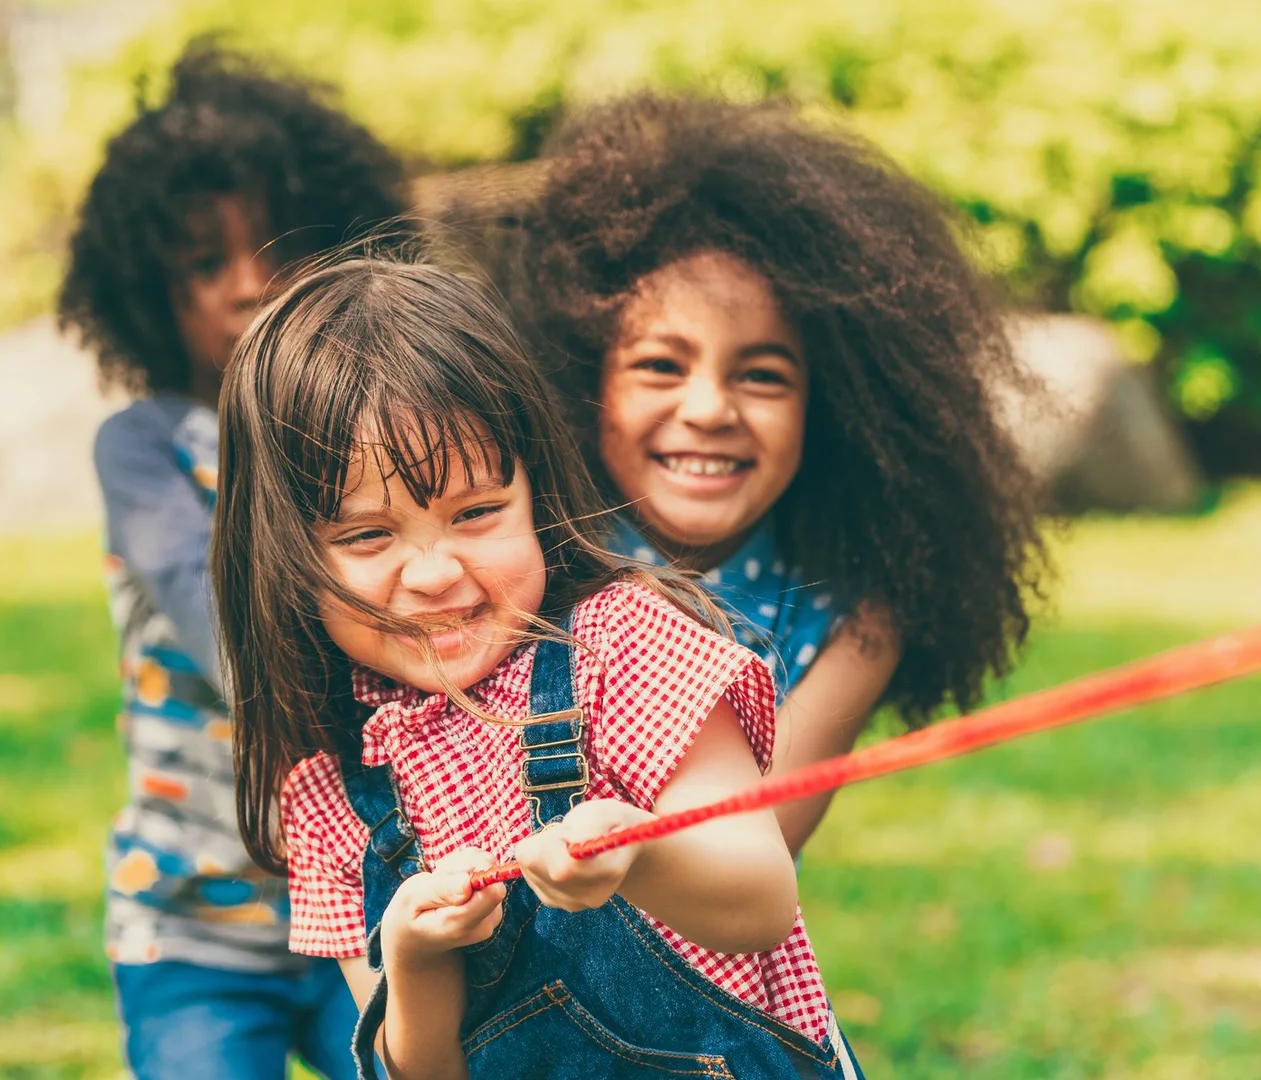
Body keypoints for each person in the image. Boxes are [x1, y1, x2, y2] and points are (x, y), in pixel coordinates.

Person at [210, 255, 867, 1079]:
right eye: (367, 536)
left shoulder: (620, 646)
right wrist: (413, 959)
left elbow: (761, 898)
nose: (434, 572)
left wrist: (640, 854)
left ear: (536, 492)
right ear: (282, 559)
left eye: (478, 513)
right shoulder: (327, 780)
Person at [498, 94, 1047, 850]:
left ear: (834, 410)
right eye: (661, 365)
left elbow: (756, 854)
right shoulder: (528, 548)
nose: (710, 409)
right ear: (583, 383)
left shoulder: (857, 619)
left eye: (761, 376)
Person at [56, 46, 407, 1080]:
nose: (250, 285)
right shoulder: (147, 448)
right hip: (195, 921)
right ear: (146, 297)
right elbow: (222, 625)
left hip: (387, 904)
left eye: (277, 248)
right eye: (205, 265)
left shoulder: (380, 437)